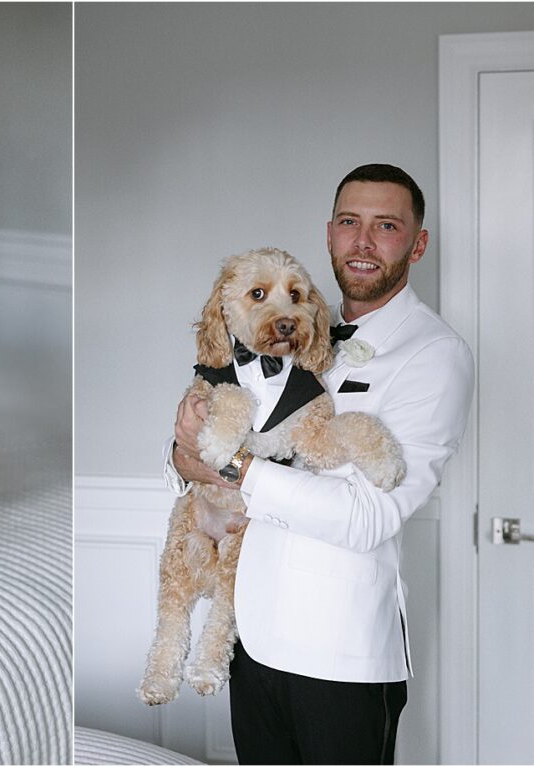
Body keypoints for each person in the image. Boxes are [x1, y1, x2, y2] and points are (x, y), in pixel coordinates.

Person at [164, 164, 474, 764]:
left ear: (418, 242)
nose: (363, 242)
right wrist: (182, 455)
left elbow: (367, 517)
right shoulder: (293, 324)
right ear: (329, 233)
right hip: (250, 637)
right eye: (349, 223)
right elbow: (201, 440)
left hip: (340, 651)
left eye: (386, 226)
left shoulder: (436, 355)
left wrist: (232, 468)